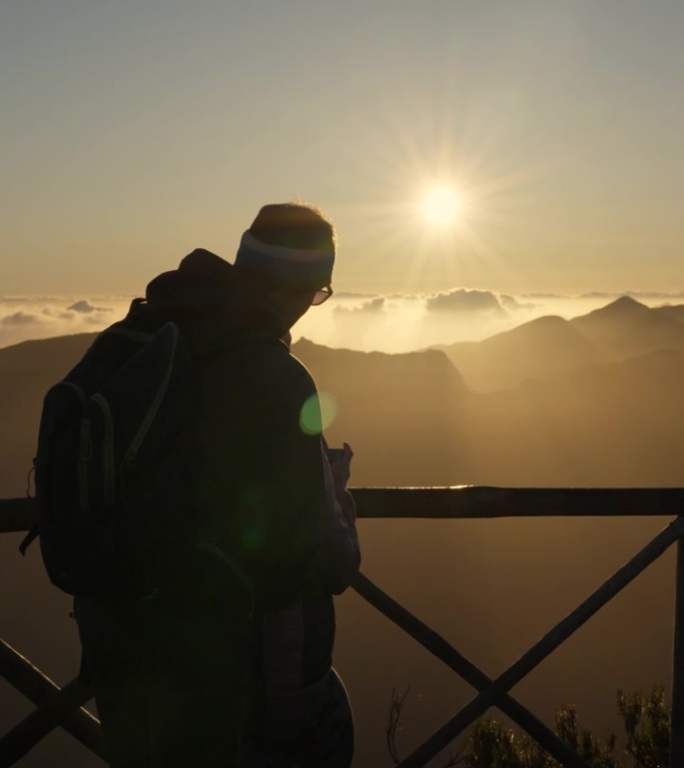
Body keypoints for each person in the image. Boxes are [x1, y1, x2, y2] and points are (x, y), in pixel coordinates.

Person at [73, 202, 361, 767]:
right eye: (319, 292)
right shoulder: (276, 377)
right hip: (246, 680)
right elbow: (327, 562)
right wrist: (335, 497)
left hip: (125, 657)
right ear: (304, 284)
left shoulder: (142, 339)